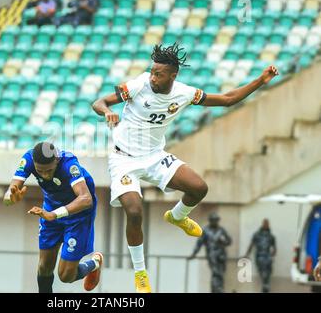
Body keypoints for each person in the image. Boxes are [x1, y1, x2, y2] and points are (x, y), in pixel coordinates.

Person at [91, 43, 279, 293]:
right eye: (152, 71)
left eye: (158, 74)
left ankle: (177, 216)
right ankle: (141, 274)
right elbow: (99, 101)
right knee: (134, 212)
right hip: (124, 159)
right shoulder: (139, 85)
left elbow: (226, 99)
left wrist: (261, 80)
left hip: (155, 156)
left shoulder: (184, 93)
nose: (153, 77)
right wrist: (107, 112)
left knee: (199, 188)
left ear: (173, 75)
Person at [3, 142, 102, 293]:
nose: (45, 175)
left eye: (49, 170)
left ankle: (94, 263)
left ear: (56, 160)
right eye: (40, 171)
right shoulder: (28, 159)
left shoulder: (69, 164)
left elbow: (86, 199)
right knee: (44, 267)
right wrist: (11, 199)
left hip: (78, 215)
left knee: (66, 276)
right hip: (50, 210)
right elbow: (9, 194)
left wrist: (54, 214)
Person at [189, 213, 232, 293]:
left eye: (216, 220)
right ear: (210, 221)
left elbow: (229, 241)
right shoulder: (205, 231)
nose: (215, 222)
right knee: (216, 273)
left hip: (222, 255)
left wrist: (223, 241)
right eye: (213, 220)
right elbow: (199, 243)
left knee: (221, 273)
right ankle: (218, 290)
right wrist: (194, 254)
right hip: (212, 255)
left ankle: (217, 289)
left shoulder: (221, 230)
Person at [244, 219, 276, 293]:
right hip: (259, 256)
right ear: (262, 224)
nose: (266, 225)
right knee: (263, 272)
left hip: (268, 256)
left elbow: (274, 247)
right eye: (265, 223)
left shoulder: (271, 236)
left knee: (268, 273)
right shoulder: (257, 234)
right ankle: (265, 286)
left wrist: (273, 254)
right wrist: (246, 255)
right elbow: (251, 245)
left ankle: (265, 287)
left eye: (267, 223)